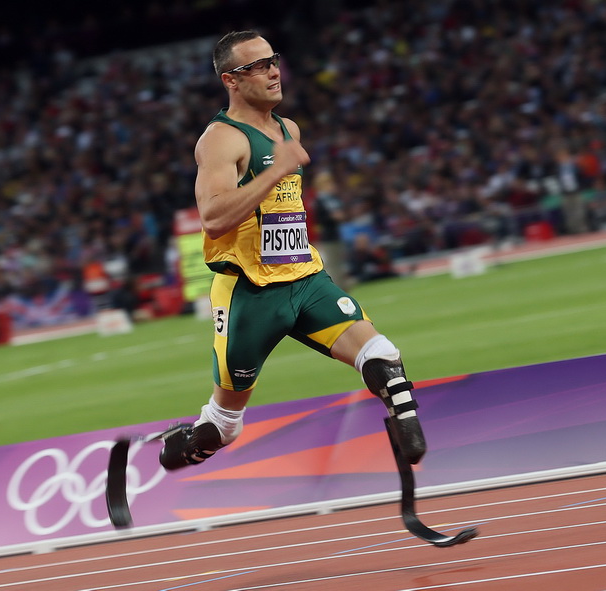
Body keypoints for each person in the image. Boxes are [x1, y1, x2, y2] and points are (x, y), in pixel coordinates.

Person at [159, 30, 426, 472]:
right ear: (231, 80)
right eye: (258, 66)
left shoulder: (288, 128)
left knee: (382, 356)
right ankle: (182, 447)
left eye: (273, 60)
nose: (273, 71)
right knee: (226, 424)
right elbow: (214, 218)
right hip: (250, 295)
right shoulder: (222, 140)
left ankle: (409, 443)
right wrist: (276, 169)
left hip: (305, 280)